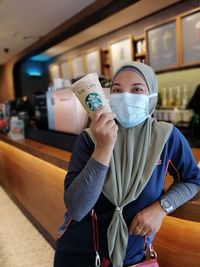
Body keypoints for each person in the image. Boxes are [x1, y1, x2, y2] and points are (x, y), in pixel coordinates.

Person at [54, 62, 200, 267]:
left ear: (151, 96)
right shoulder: (89, 139)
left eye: (137, 89)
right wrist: (104, 147)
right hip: (80, 255)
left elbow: (192, 179)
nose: (125, 96)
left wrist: (162, 208)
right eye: (117, 90)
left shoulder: (166, 137)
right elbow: (77, 208)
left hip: (133, 259)